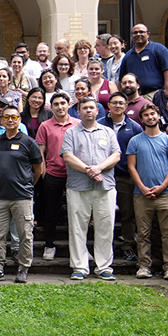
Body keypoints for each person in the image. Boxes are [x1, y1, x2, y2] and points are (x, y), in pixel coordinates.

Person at [0, 105, 43, 284]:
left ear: (19, 120)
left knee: (25, 234)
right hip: (0, 196)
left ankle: (23, 268)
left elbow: (38, 169)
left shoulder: (28, 142)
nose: (9, 120)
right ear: (1, 120)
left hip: (22, 196)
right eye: (6, 117)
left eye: (13, 117)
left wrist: (28, 184)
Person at [61, 96, 121, 281]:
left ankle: (104, 267)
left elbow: (116, 155)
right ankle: (79, 267)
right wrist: (89, 170)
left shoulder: (108, 132)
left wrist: (99, 168)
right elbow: (68, 156)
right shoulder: (71, 132)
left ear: (97, 111)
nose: (88, 111)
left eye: (91, 108)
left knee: (105, 226)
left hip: (105, 186)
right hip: (78, 187)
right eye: (84, 108)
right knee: (78, 228)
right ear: (78, 111)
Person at [128, 104, 168, 280]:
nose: (150, 117)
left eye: (153, 114)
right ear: (141, 119)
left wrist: (162, 187)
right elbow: (131, 166)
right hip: (141, 195)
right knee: (143, 233)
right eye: (146, 115)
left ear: (158, 116)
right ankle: (143, 266)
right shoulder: (135, 141)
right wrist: (142, 188)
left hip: (166, 194)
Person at [98, 91, 144, 262]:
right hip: (103, 176)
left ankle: (127, 246)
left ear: (126, 106)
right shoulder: (100, 125)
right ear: (108, 105)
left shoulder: (134, 127)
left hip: (125, 176)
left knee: (127, 214)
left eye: (121, 103)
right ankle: (103, 248)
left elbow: (139, 152)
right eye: (114, 102)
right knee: (103, 214)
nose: (117, 106)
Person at [34, 92, 78, 261]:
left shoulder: (77, 124)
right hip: (53, 174)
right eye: (56, 104)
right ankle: (49, 245)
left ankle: (79, 248)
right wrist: (43, 170)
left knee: (77, 213)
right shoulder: (45, 126)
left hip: (75, 175)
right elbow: (40, 151)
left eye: (63, 103)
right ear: (51, 108)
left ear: (69, 105)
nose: (60, 107)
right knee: (50, 212)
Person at [118, 24, 168, 99]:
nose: (138, 34)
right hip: (135, 96)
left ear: (148, 34)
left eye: (141, 32)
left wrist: (167, 89)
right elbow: (122, 77)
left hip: (155, 94)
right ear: (132, 36)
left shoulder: (159, 49)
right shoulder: (128, 55)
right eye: (135, 33)